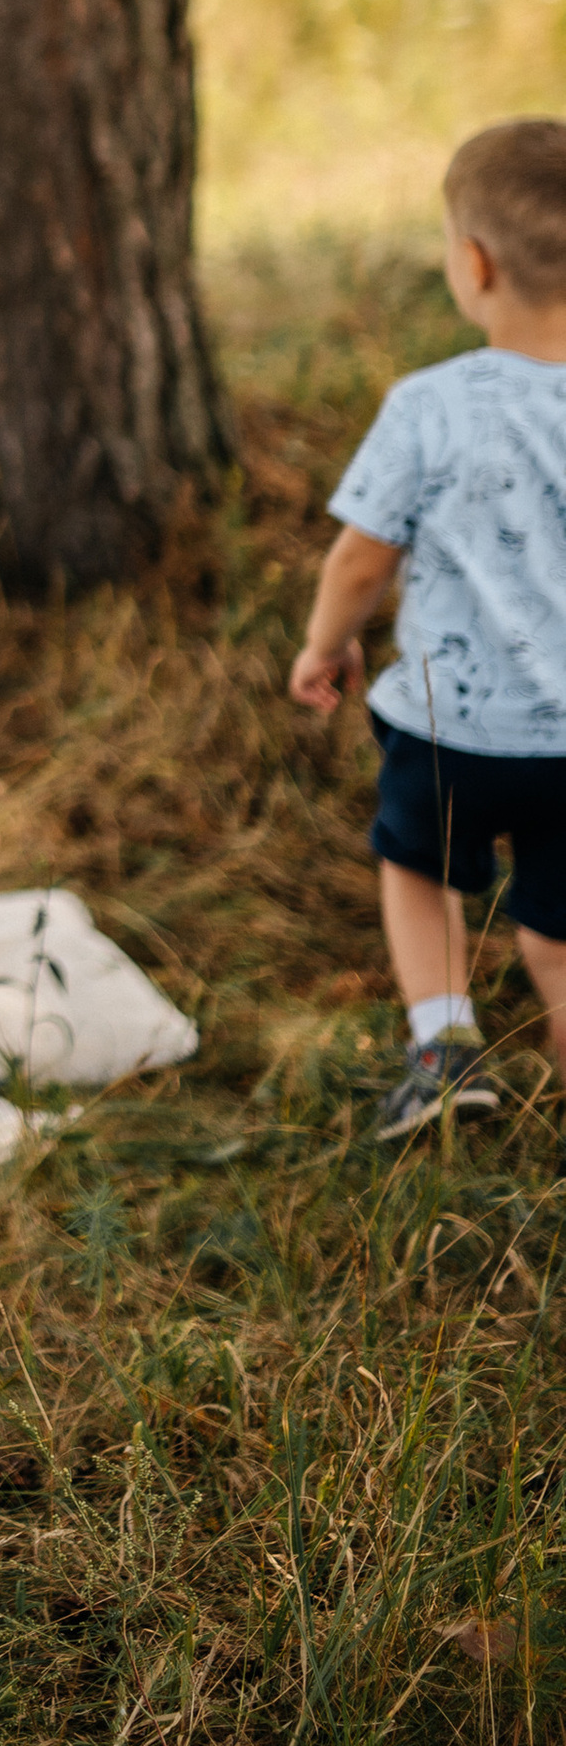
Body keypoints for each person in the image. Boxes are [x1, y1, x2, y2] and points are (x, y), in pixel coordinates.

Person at [291, 116, 566, 1144]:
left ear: (475, 263)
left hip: (446, 726)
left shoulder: (429, 405)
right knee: (558, 929)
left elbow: (362, 557)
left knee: (418, 867)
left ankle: (444, 1046)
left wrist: (324, 645)